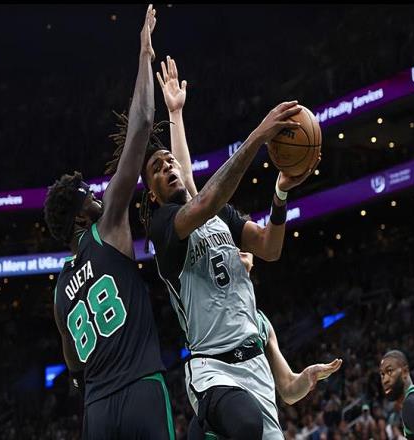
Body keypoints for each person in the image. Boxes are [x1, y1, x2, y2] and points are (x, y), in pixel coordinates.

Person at [138, 48, 321, 438]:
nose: (168, 166)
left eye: (169, 161)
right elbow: (202, 198)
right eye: (157, 168)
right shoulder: (164, 227)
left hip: (256, 367)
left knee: (253, 426)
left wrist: (280, 195)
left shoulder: (219, 216)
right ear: (152, 193)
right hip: (213, 368)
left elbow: (269, 247)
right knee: (245, 424)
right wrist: (257, 137)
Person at [43, 6, 175, 439]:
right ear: (81, 215)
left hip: (97, 411)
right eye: (89, 195)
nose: (97, 195)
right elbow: (142, 123)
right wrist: (144, 54)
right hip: (140, 388)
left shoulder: (60, 292)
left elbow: (73, 363)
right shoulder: (109, 226)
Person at [380, 350, 414, 439]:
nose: (385, 380)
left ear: (405, 372)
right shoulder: (413, 400)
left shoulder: (412, 404)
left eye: (389, 371)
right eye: (382, 374)